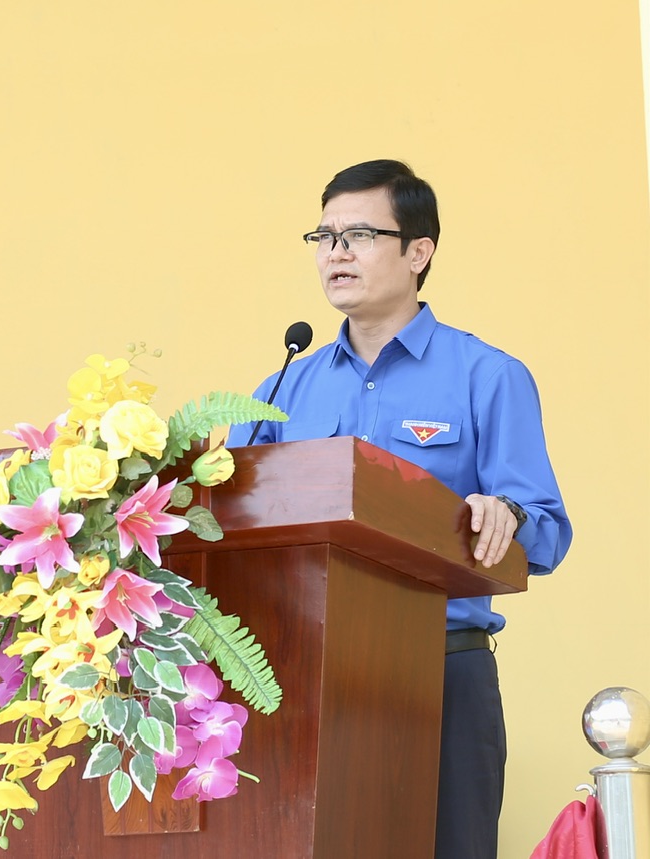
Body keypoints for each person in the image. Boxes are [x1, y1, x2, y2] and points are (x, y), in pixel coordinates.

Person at [228, 159, 572, 859]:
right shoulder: (280, 389)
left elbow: (546, 532)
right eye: (324, 237)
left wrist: (505, 514)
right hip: (302, 681)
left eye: (359, 234)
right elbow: (226, 519)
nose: (336, 253)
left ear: (419, 252)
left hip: (440, 676)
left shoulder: (487, 375)